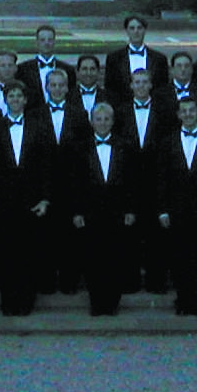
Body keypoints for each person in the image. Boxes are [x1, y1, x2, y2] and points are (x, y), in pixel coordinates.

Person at [0, 80, 50, 316]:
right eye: (11, 96)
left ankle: (26, 301)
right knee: (6, 252)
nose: (15, 100)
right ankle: (8, 301)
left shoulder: (39, 127)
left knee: (28, 253)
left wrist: (45, 199)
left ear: (26, 100)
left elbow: (45, 167)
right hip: (3, 201)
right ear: (5, 99)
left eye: (19, 96)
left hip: (30, 201)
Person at [154, 97, 197, 316]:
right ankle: (182, 301)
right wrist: (162, 209)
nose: (189, 114)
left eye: (192, 110)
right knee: (179, 257)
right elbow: (161, 179)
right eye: (184, 111)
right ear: (178, 115)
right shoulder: (167, 142)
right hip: (176, 209)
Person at [70, 101, 138, 316]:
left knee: (115, 258)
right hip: (90, 212)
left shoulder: (126, 146)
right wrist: (77, 212)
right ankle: (96, 303)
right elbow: (75, 183)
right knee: (93, 259)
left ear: (113, 121)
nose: (102, 123)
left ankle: (112, 303)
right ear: (91, 122)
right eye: (98, 119)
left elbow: (132, 182)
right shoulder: (80, 148)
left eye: (106, 119)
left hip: (117, 212)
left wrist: (131, 210)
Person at [107, 14, 169, 91]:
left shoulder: (159, 59)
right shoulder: (114, 58)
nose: (136, 31)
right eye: (132, 28)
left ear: (145, 30)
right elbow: (110, 87)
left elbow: (163, 88)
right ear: (127, 31)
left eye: (139, 28)